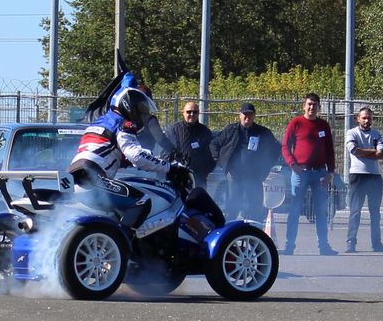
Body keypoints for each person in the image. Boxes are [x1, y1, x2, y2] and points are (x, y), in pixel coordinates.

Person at [67, 85, 182, 233]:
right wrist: (169, 167)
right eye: (139, 109)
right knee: (142, 201)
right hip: (92, 179)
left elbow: (110, 155)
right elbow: (136, 155)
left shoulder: (101, 121)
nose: (141, 114)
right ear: (128, 106)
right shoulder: (123, 124)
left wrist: (147, 161)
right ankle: (124, 245)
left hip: (76, 176)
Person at [281, 93, 338, 256]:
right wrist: (293, 164)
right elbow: (285, 146)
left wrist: (330, 172)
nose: (312, 107)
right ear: (304, 106)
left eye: (315, 104)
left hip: (319, 173)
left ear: (319, 107)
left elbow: (329, 150)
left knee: (320, 210)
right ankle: (289, 246)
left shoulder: (323, 125)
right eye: (309, 104)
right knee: (295, 209)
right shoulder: (296, 123)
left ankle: (324, 246)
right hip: (300, 173)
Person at [209, 103, 282, 222]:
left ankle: (253, 237)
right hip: (234, 176)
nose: (247, 117)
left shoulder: (262, 132)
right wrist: (222, 163)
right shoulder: (231, 130)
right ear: (240, 115)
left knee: (254, 210)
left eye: (250, 114)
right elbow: (214, 144)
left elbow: (276, 148)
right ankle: (228, 236)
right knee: (232, 209)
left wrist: (265, 167)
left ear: (254, 116)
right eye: (245, 114)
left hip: (254, 178)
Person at [344, 106, 383, 253]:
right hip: (358, 176)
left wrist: (369, 152)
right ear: (358, 118)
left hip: (374, 176)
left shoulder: (377, 134)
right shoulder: (351, 133)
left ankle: (377, 244)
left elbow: (382, 154)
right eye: (364, 117)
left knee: (375, 213)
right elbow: (354, 150)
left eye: (369, 117)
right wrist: (373, 151)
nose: (366, 120)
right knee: (355, 211)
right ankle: (351, 242)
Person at [161, 101, 215, 188]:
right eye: (188, 111)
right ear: (183, 113)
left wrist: (205, 171)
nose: (192, 114)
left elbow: (211, 155)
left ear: (198, 113)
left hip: (199, 178)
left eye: (195, 112)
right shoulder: (173, 130)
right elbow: (165, 153)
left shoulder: (205, 132)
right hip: (176, 177)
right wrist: (173, 168)